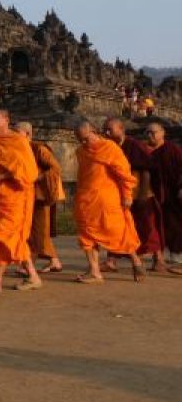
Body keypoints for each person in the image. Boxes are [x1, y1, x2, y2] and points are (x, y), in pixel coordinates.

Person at [0, 110, 42, 294]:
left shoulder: (18, 141)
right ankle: (33, 276)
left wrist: (2, 176)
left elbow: (29, 171)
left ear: (6, 120)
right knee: (11, 238)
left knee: (4, 236)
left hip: (16, 197)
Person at [73, 121, 144, 283]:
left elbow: (124, 173)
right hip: (86, 201)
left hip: (108, 200)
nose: (84, 143)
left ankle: (136, 261)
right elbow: (83, 176)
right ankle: (95, 272)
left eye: (86, 139)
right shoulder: (81, 151)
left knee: (118, 232)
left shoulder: (110, 148)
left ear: (94, 131)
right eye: (80, 140)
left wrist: (127, 195)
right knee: (87, 236)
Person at [101, 118, 165, 272]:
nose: (106, 133)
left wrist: (144, 191)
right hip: (120, 193)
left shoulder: (136, 146)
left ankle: (159, 259)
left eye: (110, 129)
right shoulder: (109, 147)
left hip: (141, 192)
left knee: (148, 227)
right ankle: (111, 260)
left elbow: (151, 167)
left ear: (121, 129)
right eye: (105, 130)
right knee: (119, 226)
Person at [16, 122, 65, 273]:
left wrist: (38, 176)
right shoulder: (19, 150)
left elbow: (55, 167)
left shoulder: (38, 149)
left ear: (28, 134)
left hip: (41, 195)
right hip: (27, 195)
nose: (14, 136)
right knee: (34, 230)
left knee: (39, 230)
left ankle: (31, 264)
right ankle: (54, 261)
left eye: (18, 132)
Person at [144, 122, 182, 269]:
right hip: (156, 195)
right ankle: (159, 257)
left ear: (162, 133)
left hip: (174, 192)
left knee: (176, 224)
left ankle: (177, 253)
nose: (150, 135)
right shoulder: (147, 152)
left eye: (153, 132)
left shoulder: (173, 149)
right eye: (147, 132)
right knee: (158, 225)